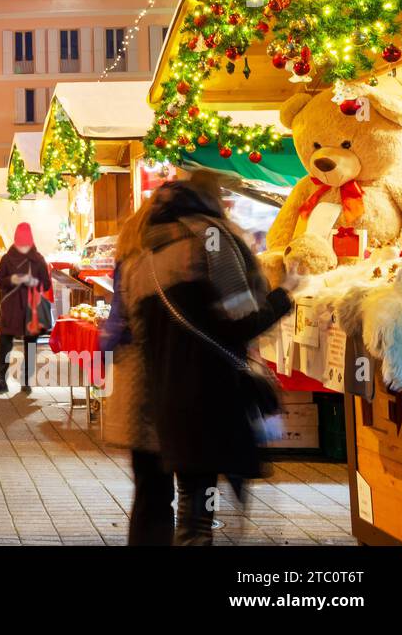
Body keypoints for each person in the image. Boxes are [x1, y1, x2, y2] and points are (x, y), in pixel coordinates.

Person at [120, 172, 297, 545]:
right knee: (197, 512)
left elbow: (132, 327)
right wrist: (286, 293)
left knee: (155, 504)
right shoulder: (212, 241)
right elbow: (242, 321)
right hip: (202, 397)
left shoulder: (143, 255)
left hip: (151, 400)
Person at [98, 196, 175, 545]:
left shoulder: (127, 262)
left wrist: (107, 352)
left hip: (133, 385)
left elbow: (114, 327)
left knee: (149, 484)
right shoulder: (158, 264)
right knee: (160, 487)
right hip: (157, 385)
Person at [0, 222, 51, 394]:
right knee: (18, 342)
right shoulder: (31, 258)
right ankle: (17, 380)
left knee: (9, 342)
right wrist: (14, 279)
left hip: (21, 308)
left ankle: (6, 380)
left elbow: (45, 283)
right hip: (21, 308)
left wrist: (32, 281)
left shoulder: (32, 259)